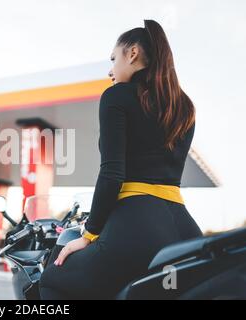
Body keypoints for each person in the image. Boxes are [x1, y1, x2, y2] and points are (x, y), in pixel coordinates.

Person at [39, 19, 203, 299]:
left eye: (114, 59)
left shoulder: (117, 96)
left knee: (53, 279)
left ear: (133, 53)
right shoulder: (184, 107)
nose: (110, 70)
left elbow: (112, 173)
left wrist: (88, 235)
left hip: (137, 227)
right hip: (186, 232)